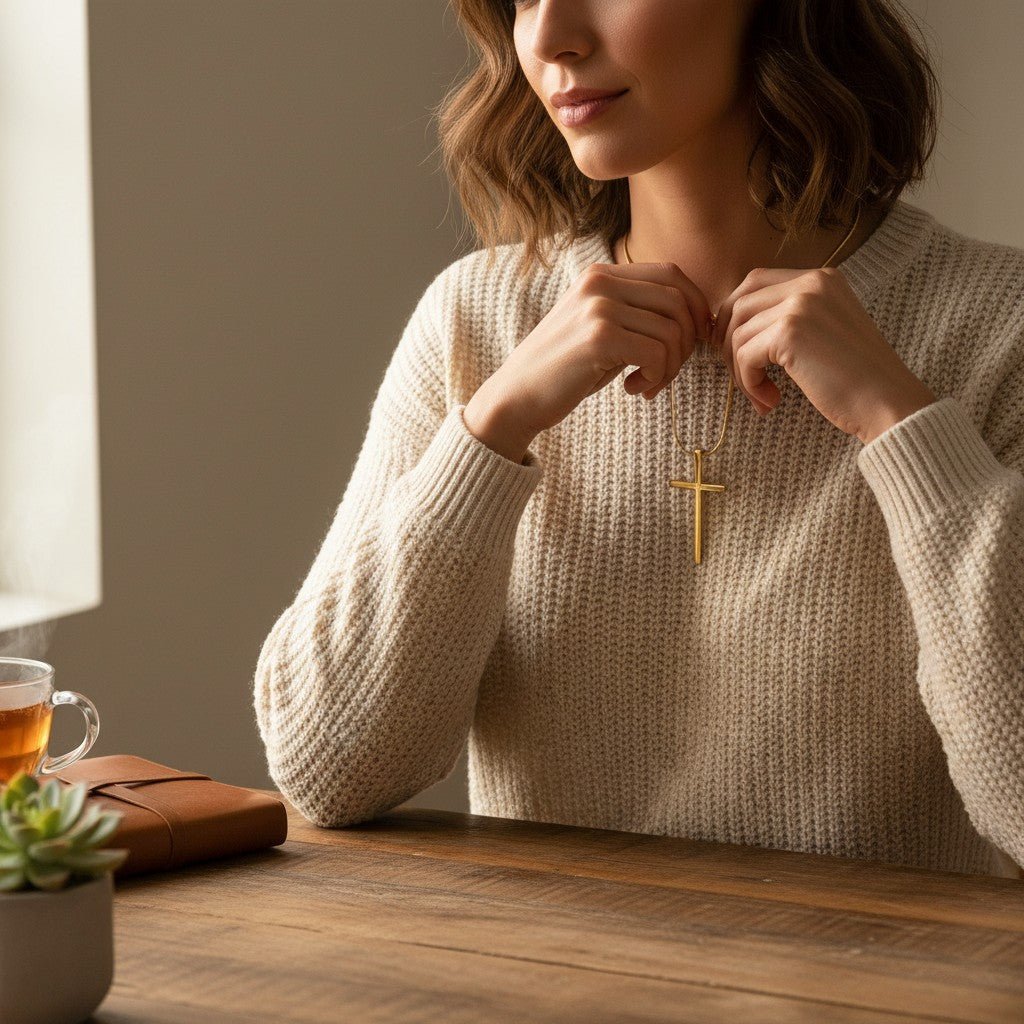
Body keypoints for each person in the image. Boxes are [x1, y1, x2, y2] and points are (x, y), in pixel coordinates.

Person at [253, 0, 1024, 879]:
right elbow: (327, 770)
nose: (550, 37)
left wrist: (904, 425)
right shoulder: (475, 321)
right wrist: (494, 426)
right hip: (540, 961)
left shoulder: (1000, 327)